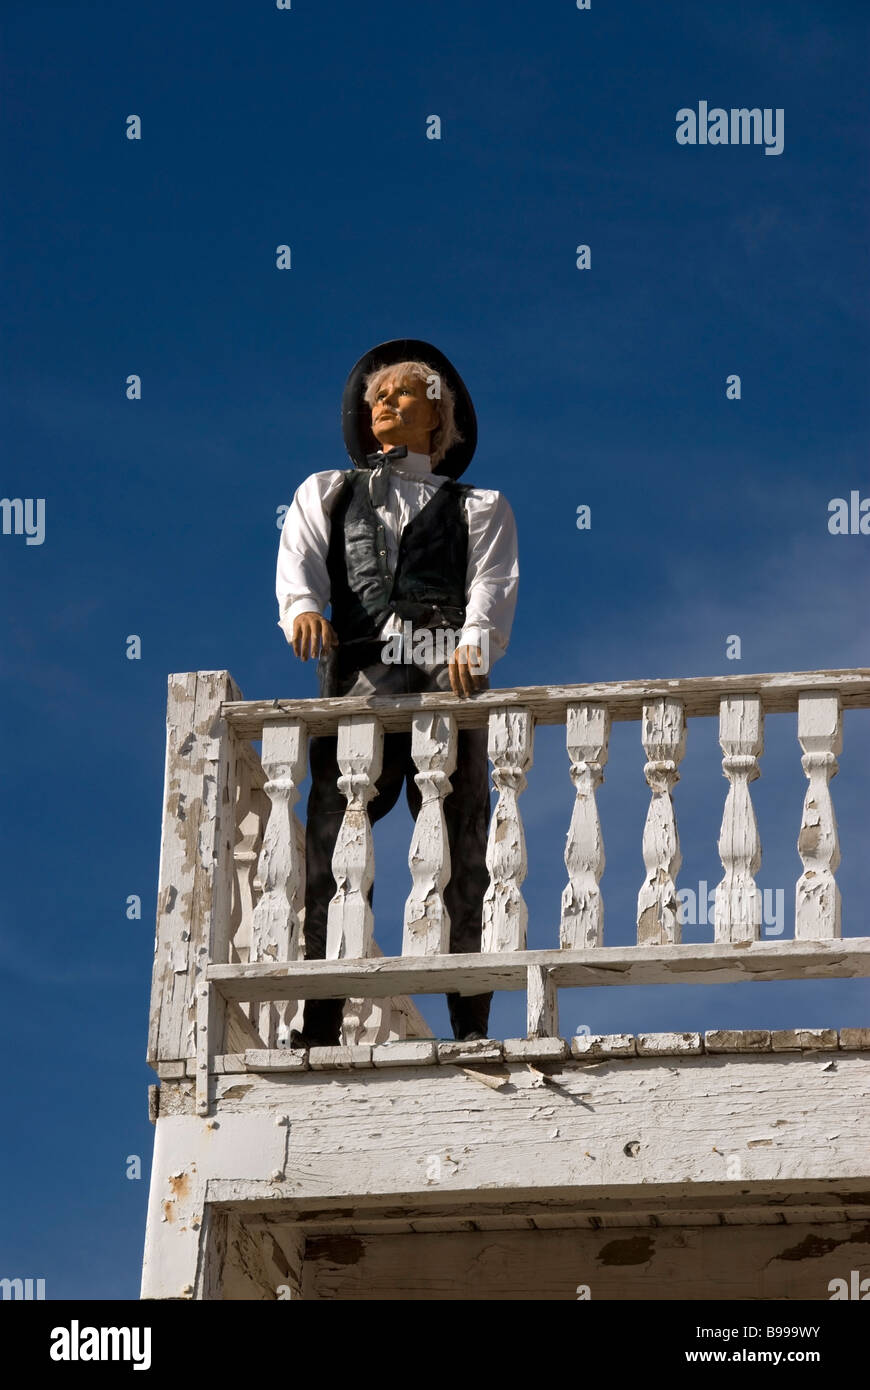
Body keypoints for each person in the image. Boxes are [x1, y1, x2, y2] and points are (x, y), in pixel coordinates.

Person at [276, 338, 519, 1045]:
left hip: (446, 684)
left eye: (402, 393)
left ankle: (470, 1024)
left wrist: (476, 643)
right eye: (376, 396)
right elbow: (301, 567)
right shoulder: (325, 491)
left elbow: (491, 587)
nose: (383, 403)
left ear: (436, 413)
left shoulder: (481, 506)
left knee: (460, 851)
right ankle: (320, 1021)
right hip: (357, 684)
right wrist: (302, 609)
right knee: (332, 847)